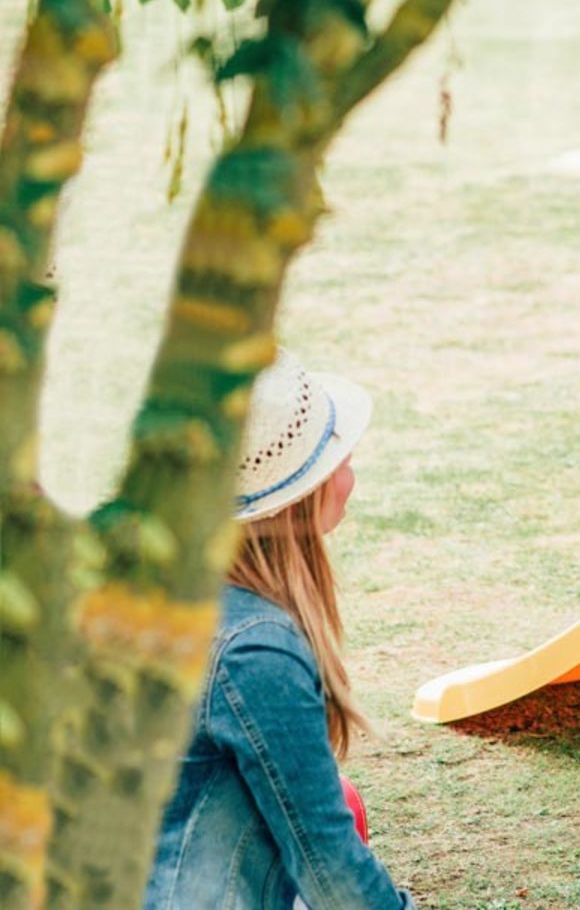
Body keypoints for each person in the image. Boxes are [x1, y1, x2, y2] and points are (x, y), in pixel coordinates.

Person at [144, 349, 415, 909]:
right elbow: (331, 872)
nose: (349, 477)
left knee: (340, 801)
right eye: (338, 460)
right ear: (298, 497)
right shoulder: (252, 648)